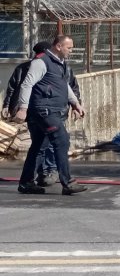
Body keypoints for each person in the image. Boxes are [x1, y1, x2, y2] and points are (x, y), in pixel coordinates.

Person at [15, 34, 86, 196]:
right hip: (44, 111)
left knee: (39, 146)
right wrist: (23, 108)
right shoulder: (41, 62)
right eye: (69, 48)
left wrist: (75, 103)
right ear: (58, 46)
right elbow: (27, 84)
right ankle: (67, 182)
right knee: (62, 140)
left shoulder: (60, 63)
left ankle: (26, 183)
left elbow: (65, 85)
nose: (71, 51)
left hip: (51, 110)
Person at [5, 42, 58, 187]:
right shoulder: (27, 68)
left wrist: (74, 102)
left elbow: (69, 85)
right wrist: (12, 107)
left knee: (46, 144)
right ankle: (39, 175)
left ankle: (45, 172)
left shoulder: (56, 66)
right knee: (42, 145)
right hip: (38, 112)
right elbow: (16, 87)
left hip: (46, 111)